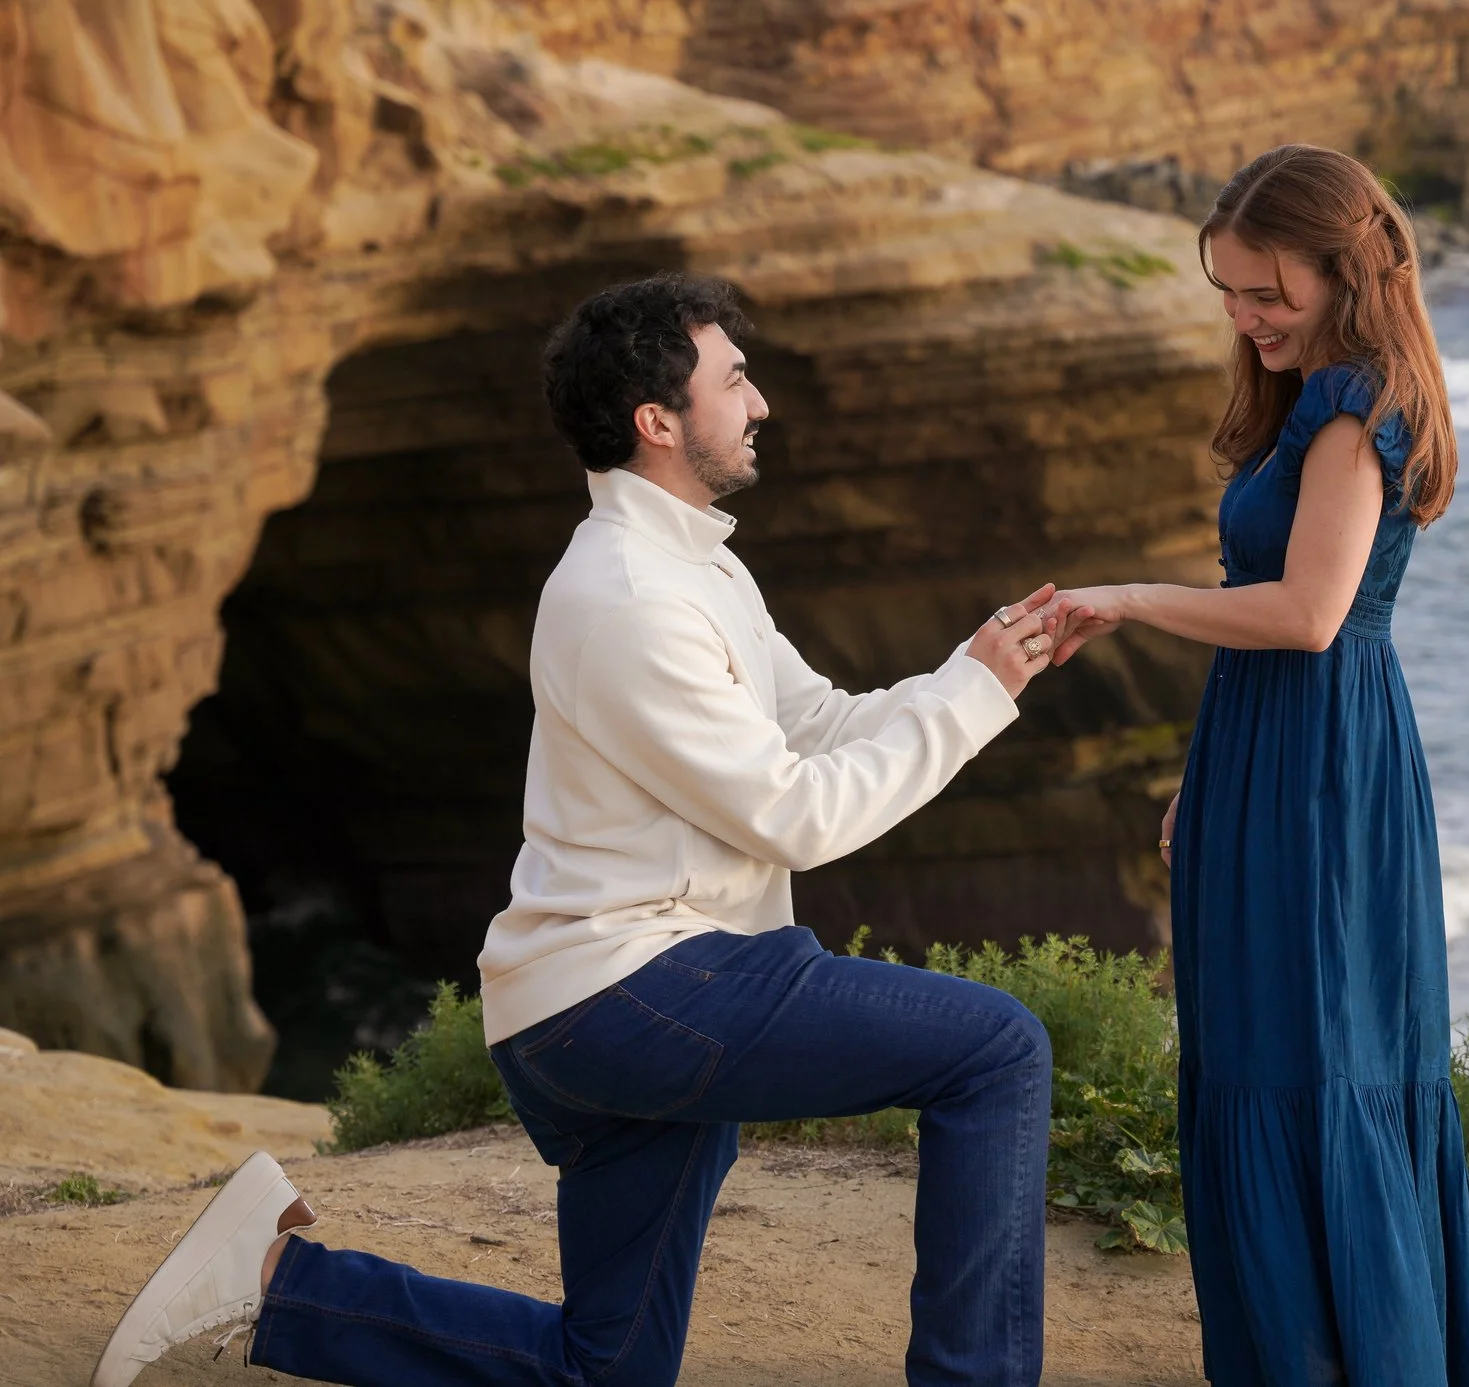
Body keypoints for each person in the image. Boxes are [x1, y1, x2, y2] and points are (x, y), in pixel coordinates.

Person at [94, 273, 1084, 1387]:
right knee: (998, 1049)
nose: (760, 403)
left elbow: (820, 724)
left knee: (604, 1371)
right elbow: (799, 814)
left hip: (622, 997)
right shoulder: (626, 595)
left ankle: (274, 1281)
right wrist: (975, 697)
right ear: (657, 423)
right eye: (736, 379)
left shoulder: (695, 564)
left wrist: (984, 663)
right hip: (634, 995)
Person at [1050, 146, 1469, 1384]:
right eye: (1228, 291)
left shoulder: (1357, 408)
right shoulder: (1309, 394)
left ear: (1342, 274)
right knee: (1258, 1053)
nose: (1245, 316)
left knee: (1317, 1055)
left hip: (1323, 768)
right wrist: (1208, 771)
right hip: (1267, 749)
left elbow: (1309, 613)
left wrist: (1135, 596)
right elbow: (1274, 623)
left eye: (1268, 292)